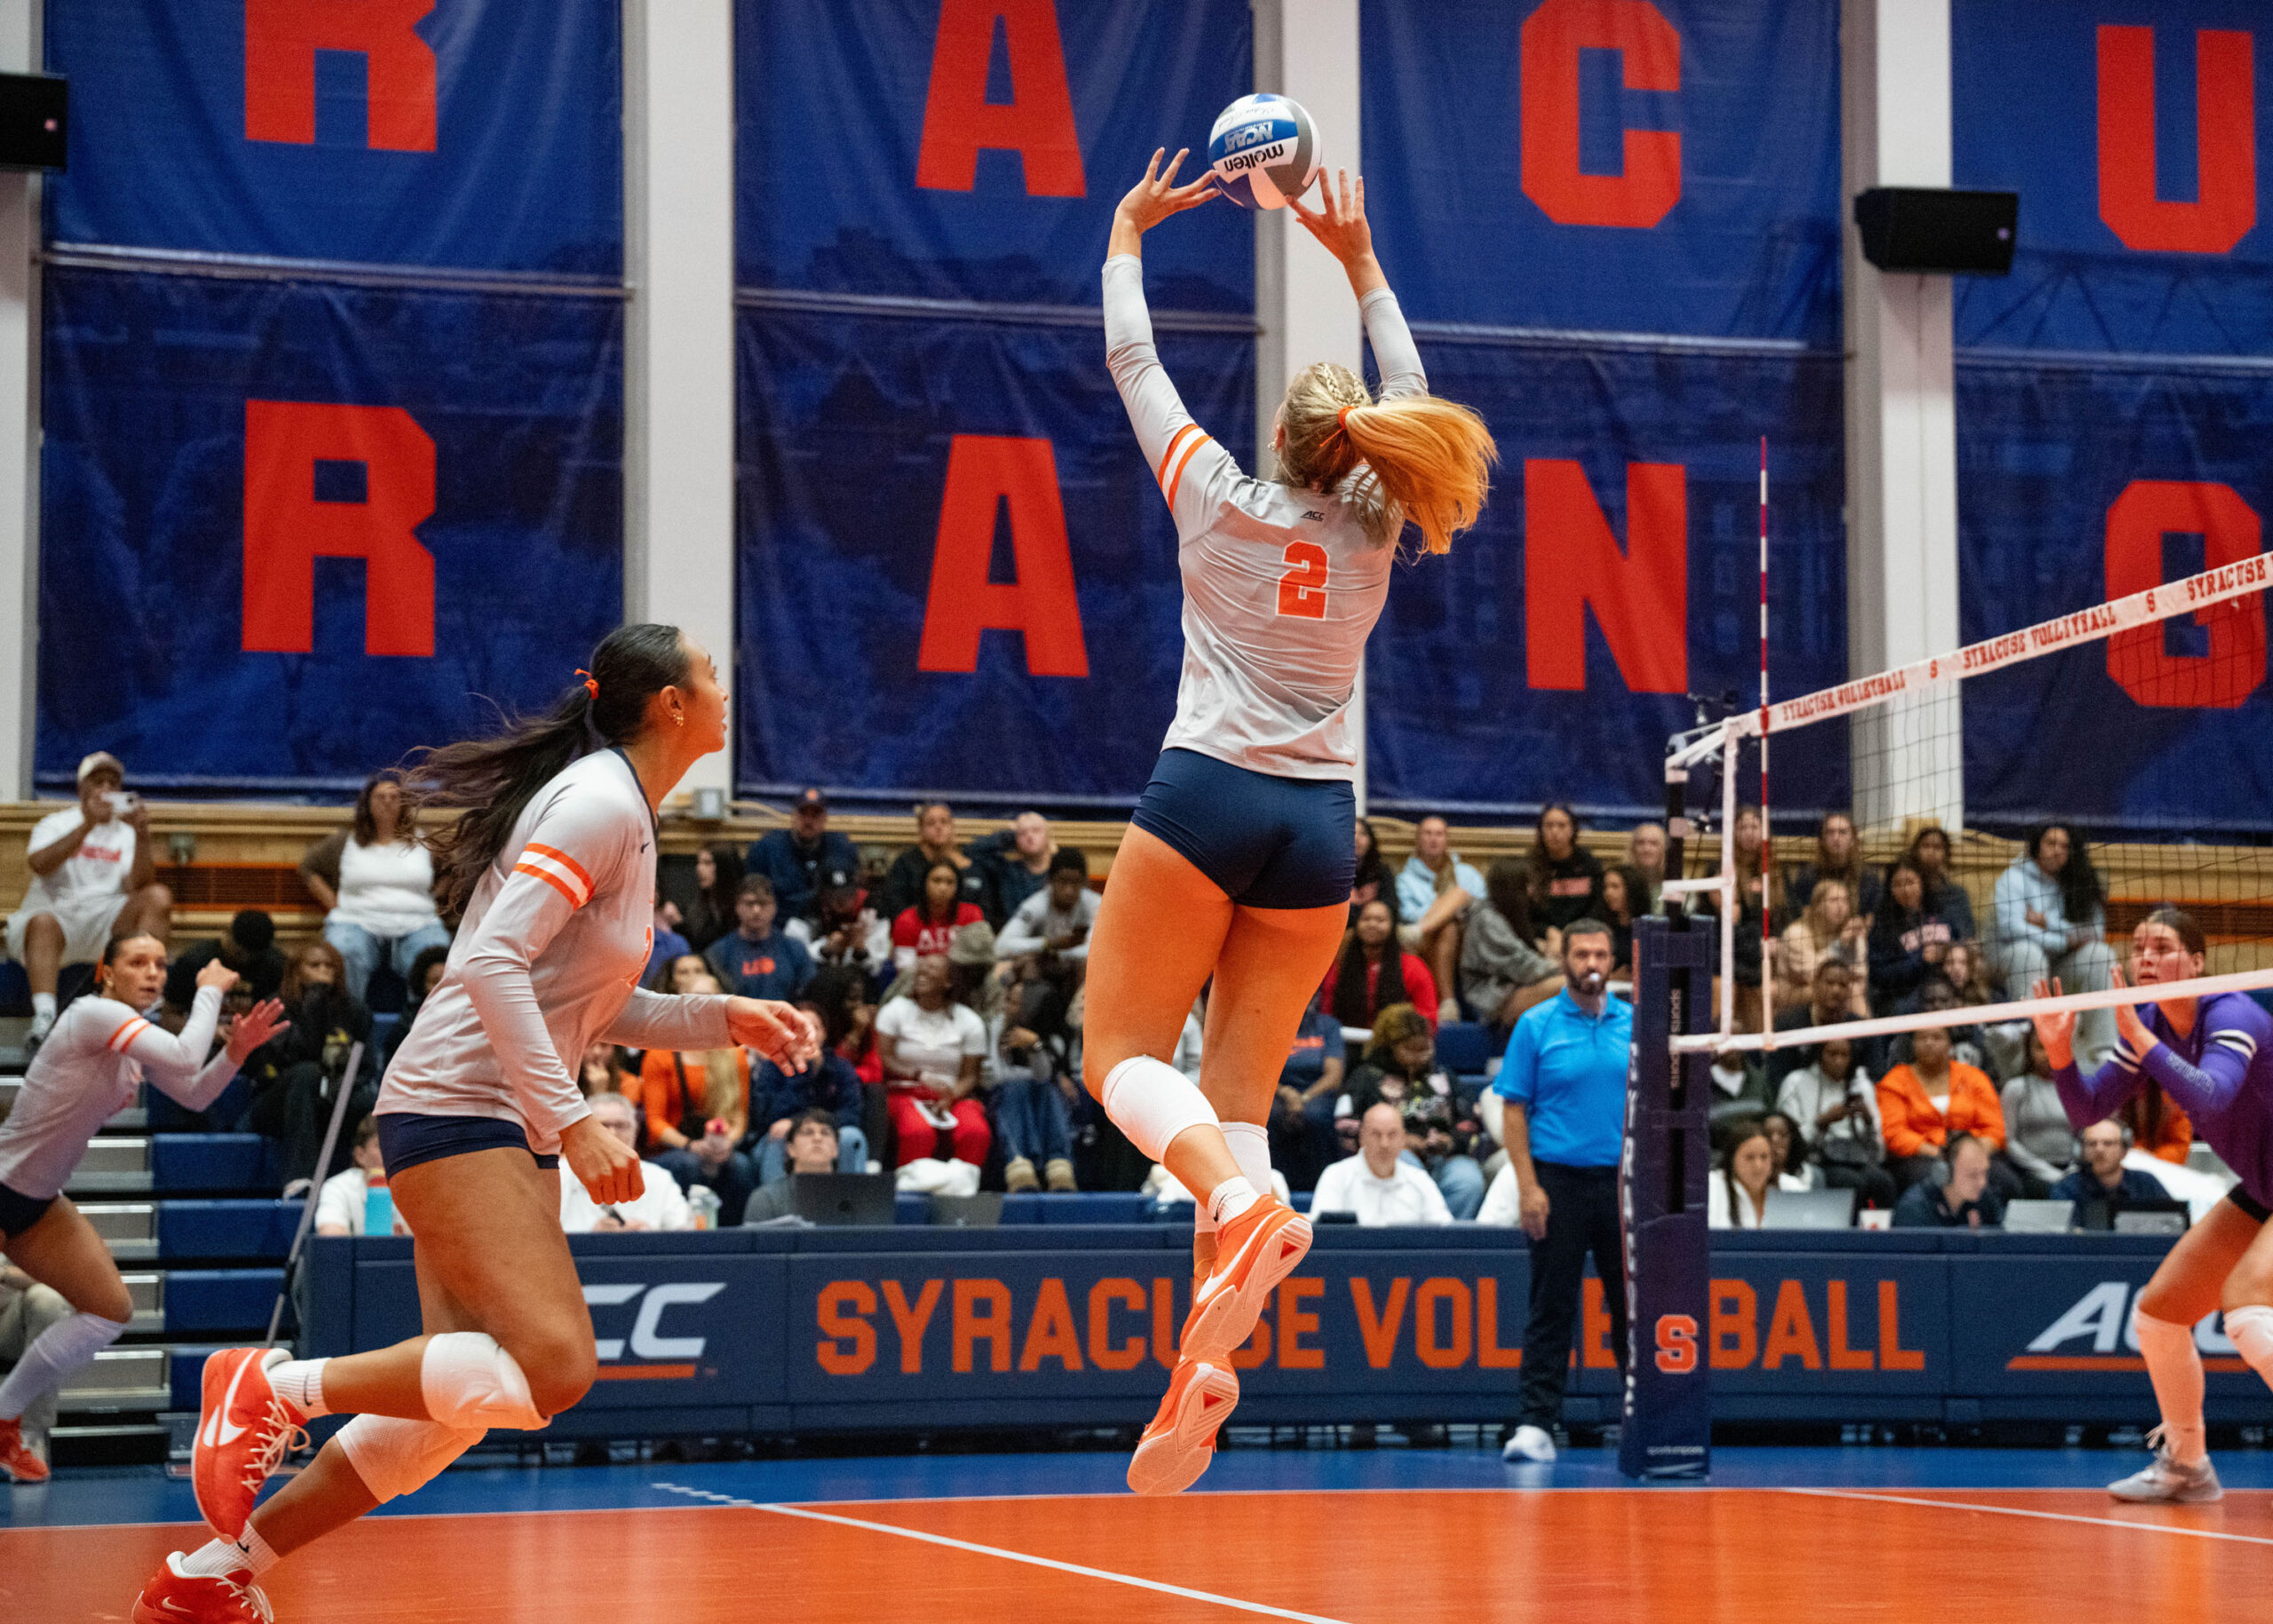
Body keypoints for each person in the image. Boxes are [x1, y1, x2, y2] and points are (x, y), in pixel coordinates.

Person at [141, 625, 818, 1620]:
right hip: (462, 1103)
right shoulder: (597, 803)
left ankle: (213, 1573)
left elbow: (576, 998)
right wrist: (573, 1117)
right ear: (671, 704)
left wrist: (722, 1018)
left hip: (487, 1112)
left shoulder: (625, 808)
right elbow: (492, 963)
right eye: (710, 672)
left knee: (453, 1410)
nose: (727, 682)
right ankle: (273, 1387)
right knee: (555, 1368)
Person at [1091, 155, 1493, 1497]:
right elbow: (1414, 390)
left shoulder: (1216, 495)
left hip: (1208, 790)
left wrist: (1128, 233)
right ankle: (1197, 1378)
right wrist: (1359, 255)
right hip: (1323, 825)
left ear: (1280, 436)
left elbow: (1135, 362)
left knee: (1118, 1055)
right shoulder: (1379, 527)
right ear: (1364, 447)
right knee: (1238, 1102)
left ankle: (1237, 1198)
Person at [0, 936, 281, 1484]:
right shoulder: (94, 1014)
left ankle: (5, 1415)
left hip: (38, 1202)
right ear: (106, 972)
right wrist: (208, 991)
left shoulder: (131, 1041)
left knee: (108, 1311)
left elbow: (195, 1093)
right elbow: (185, 1053)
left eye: (160, 965)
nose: (153, 973)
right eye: (138, 963)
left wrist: (236, 1053)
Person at [2030, 906, 2273, 1504]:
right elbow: (2089, 1110)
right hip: (2264, 1186)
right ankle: (2187, 1466)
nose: (2145, 958)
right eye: (2138, 947)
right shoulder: (2147, 1020)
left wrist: (2143, 1042)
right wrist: (2060, 1051)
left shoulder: (2231, 1012)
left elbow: (2211, 1097)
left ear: (2197, 962)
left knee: (2246, 1309)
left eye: (2162, 948)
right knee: (2160, 1314)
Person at [1493, 921, 1630, 1464]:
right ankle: (1535, 1424)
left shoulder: (1634, 1025)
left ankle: (1644, 1417)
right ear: (1565, 961)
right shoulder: (1536, 1024)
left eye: (1600, 953)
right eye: (1581, 954)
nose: (1591, 962)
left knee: (1632, 1308)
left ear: (1613, 961)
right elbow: (1513, 1110)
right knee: (1551, 1306)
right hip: (1558, 1182)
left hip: (1621, 1184)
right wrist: (1528, 1187)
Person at [7, 750, 171, 1050]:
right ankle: (44, 1017)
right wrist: (87, 825)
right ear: (82, 788)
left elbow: (140, 885)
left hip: (106, 917)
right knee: (42, 921)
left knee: (158, 896)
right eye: (98, 781)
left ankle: (141, 1010)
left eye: (113, 782)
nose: (106, 788)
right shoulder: (55, 823)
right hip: (57, 914)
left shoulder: (126, 832)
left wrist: (142, 834)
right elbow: (40, 864)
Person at [298, 772, 452, 1008]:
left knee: (435, 955)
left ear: (404, 803)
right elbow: (308, 867)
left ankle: (421, 1022)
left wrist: (438, 901)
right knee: (344, 949)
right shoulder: (345, 842)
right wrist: (333, 904)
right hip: (355, 921)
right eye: (381, 797)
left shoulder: (424, 840)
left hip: (418, 922)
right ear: (367, 803)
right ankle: (349, 1021)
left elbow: (451, 869)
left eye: (394, 797)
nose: (388, 802)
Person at [245, 939, 378, 1194]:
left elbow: (366, 1067)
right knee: (306, 1073)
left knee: (370, 1102)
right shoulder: (276, 1008)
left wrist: (337, 1086)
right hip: (278, 1101)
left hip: (333, 1098)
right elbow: (268, 1065)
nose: (323, 971)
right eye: (314, 965)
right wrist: (314, 1003)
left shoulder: (354, 1010)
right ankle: (299, 1177)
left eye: (330, 966)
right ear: (296, 971)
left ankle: (368, 1180)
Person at [1987, 822, 2115, 1066]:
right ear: (2037, 846)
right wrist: (2065, 940)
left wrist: (2047, 922)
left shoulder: (2080, 880)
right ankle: (2026, 1041)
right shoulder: (2013, 878)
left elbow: (2096, 932)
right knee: (2029, 953)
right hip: (2011, 962)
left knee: (2100, 954)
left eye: (2065, 846)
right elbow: (2011, 928)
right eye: (2051, 843)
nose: (2057, 851)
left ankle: (2103, 1049)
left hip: (2059, 969)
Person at [1339, 1004, 1485, 1218]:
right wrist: (1399, 1142)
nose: (1420, 1057)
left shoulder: (1444, 1077)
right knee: (1408, 1168)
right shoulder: (1366, 1078)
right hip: (1392, 1157)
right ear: (1390, 1047)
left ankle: (1447, 1236)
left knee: (1468, 1180)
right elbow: (1346, 1126)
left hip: (1445, 1158)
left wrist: (1450, 1141)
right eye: (1410, 1050)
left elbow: (1470, 1120)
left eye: (1425, 1049)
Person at [637, 971, 756, 1221]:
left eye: (712, 998)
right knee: (689, 1164)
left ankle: (735, 1235)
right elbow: (655, 1123)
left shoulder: (735, 1054)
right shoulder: (659, 1054)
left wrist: (726, 1143)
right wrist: (691, 1146)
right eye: (697, 997)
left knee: (741, 1166)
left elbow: (738, 1116)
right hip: (673, 1148)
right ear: (681, 1003)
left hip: (718, 1144)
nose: (705, 1005)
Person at [876, 955, 990, 1173]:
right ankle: (910, 1190)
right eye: (921, 967)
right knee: (918, 1131)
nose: (923, 971)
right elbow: (885, 1058)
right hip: (905, 1092)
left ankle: (963, 1189)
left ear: (948, 982)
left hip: (952, 1095)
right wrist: (919, 1075)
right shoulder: (896, 1009)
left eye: (933, 968)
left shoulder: (970, 1021)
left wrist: (951, 1095)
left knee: (975, 1131)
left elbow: (970, 1076)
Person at [1876, 1021, 2007, 1191]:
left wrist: (1971, 1153)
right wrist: (1936, 1152)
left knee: (2004, 1180)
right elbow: (1894, 1133)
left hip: (1973, 1151)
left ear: (1950, 1044)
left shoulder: (1974, 1077)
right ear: (1913, 1044)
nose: (1929, 1043)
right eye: (1922, 1038)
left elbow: (1994, 1128)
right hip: (1919, 1158)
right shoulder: (1895, 1081)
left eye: (1937, 1038)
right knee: (1933, 1176)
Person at [751, 1000, 868, 1184]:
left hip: (830, 1132)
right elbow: (768, 1115)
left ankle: (851, 1198)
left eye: (814, 1027)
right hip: (778, 1138)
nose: (807, 1033)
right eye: (799, 1027)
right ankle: (775, 1199)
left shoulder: (841, 1068)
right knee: (780, 1135)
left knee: (851, 1136)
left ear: (824, 1033)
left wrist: (819, 1128)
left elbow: (852, 1113)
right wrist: (801, 1071)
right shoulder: (772, 1067)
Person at [1778, 1035, 1897, 1210]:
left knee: (1883, 1181)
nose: (1838, 1061)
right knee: (1851, 1182)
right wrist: (1821, 1123)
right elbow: (1792, 1142)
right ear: (1819, 1054)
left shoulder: (1861, 1085)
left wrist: (1868, 1121)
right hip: (1816, 1159)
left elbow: (1879, 1153)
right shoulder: (1796, 1082)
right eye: (1832, 1054)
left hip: (1856, 1156)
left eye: (1844, 1055)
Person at [995, 847, 1098, 1046]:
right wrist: (1046, 944)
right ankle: (1020, 1036)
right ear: (1050, 881)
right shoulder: (1037, 904)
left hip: (1076, 976)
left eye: (1075, 883)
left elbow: (1098, 951)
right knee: (1018, 965)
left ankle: (1080, 1038)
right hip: (1042, 972)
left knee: (1088, 965)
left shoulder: (1094, 904)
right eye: (1063, 881)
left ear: (1085, 883)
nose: (1069, 890)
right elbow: (1001, 946)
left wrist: (1060, 953)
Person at [1395, 814, 1484, 1027]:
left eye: (1439, 834)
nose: (1433, 839)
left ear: (1447, 840)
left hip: (1468, 938)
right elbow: (1407, 914)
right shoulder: (1405, 880)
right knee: (1448, 926)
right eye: (1428, 834)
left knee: (1460, 894)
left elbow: (1484, 908)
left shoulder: (1467, 873)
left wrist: (1447, 908)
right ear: (1418, 840)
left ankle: (1447, 1004)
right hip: (1426, 942)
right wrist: (1444, 911)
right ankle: (1448, 1004)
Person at [558, 1093, 691, 1233]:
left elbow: (685, 1234)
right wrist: (592, 1235)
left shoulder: (660, 1179)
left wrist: (650, 1236)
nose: (613, 1133)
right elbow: (545, 1237)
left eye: (621, 1126)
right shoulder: (558, 1175)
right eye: (603, 1126)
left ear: (636, 1131)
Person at [1310, 1100, 1456, 1226]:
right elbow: (1323, 1236)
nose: (1384, 1143)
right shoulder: (1336, 1176)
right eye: (1376, 1134)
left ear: (1403, 1139)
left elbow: (1444, 1236)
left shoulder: (1420, 1180)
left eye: (1392, 1134)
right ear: (1362, 1137)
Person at [1459, 856, 1560, 1036]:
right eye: (1526, 884)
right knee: (1568, 986)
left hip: (1512, 989)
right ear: (1513, 887)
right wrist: (1567, 966)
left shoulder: (1507, 914)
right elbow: (1524, 967)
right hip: (1488, 1001)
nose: (1531, 891)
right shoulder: (1486, 919)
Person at [1320, 897, 1439, 1036]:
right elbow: (1326, 1013)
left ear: (1393, 926)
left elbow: (1429, 1018)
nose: (1372, 924)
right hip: (1346, 1040)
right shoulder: (1339, 964)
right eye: (1366, 919)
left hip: (1395, 1042)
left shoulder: (1413, 967)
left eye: (1380, 920)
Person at [746, 788, 861, 926]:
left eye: (815, 815)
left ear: (825, 818)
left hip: (830, 927)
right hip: (779, 928)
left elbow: (855, 895)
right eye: (803, 813)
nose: (809, 821)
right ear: (793, 816)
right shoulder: (766, 849)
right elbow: (754, 898)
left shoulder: (842, 848)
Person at [0, 1257, 71, 1480]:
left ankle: (28, 1436)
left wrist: (5, 1274)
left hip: (10, 1316)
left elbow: (61, 1278)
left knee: (47, 1300)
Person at [162, 909, 288, 1026]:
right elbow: (168, 1017)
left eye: (252, 957)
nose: (245, 960)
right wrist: (209, 1032)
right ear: (227, 934)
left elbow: (283, 1018)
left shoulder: (275, 965)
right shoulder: (194, 961)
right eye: (239, 954)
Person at [1269, 1002, 1345, 1191]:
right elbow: (1261, 1071)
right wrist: (1286, 1093)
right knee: (1272, 1116)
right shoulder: (1271, 1023)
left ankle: (1321, 1186)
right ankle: (1271, 1186)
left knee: (1314, 1117)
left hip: (1316, 1090)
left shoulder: (1328, 1026)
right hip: (1276, 1089)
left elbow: (1334, 1075)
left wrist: (1304, 1098)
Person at [703, 875, 815, 1002]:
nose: (756, 910)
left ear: (774, 907)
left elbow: (809, 997)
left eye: (763, 903)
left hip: (784, 1014)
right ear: (737, 906)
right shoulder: (718, 953)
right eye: (749, 903)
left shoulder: (795, 949)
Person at [875, 803, 988, 924]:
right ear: (921, 829)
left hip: (964, 931)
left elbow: (986, 911)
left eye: (944, 822)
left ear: (952, 827)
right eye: (931, 823)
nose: (938, 827)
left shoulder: (971, 866)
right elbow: (895, 906)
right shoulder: (905, 864)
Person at [1866, 859, 1955, 1015]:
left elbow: (1960, 942)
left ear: (1922, 882)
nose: (1906, 890)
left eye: (1910, 882)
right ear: (1890, 889)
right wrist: (1922, 960)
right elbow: (1879, 975)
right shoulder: (1882, 925)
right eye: (1898, 884)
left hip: (1947, 986)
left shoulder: (1942, 913)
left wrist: (1949, 952)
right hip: (1904, 996)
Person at [2000, 1029, 2077, 1198]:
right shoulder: (2016, 1088)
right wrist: (2047, 1172)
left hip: (2071, 1169)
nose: (2048, 1054)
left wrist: (2073, 1170)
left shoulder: (2076, 1087)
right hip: (2028, 1171)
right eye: (2041, 1047)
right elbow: (2009, 1141)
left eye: (2055, 1047)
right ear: (2029, 1051)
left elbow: (2084, 1136)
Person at [1775, 880, 1868, 1016]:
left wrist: (1858, 943)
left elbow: (1861, 973)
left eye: (1844, 901)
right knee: (1850, 991)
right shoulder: (1796, 933)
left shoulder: (1851, 931)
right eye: (1834, 900)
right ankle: (1868, 1028)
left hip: (1835, 988)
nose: (1840, 907)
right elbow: (1811, 974)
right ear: (1818, 906)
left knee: (1852, 990)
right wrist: (1839, 945)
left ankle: (1866, 1028)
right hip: (1795, 993)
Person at [2050, 1119, 2170, 1224]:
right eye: (2091, 1144)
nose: (2099, 1149)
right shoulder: (2067, 1188)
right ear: (2082, 1150)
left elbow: (2172, 1223)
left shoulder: (2146, 1184)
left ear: (2124, 1151)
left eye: (2108, 1143)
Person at [742, 1109, 845, 1224]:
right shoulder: (765, 1199)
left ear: (836, 1149)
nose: (817, 1138)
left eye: (825, 1133)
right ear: (791, 1149)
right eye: (808, 1133)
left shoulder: (853, 1196)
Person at [314, 1118, 409, 1238]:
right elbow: (330, 1236)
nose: (390, 1153)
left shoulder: (413, 1187)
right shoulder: (337, 1187)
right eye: (381, 1146)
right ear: (360, 1155)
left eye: (395, 1146)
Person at [891, 858, 986, 975]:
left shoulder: (972, 914)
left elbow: (977, 960)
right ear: (924, 883)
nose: (943, 888)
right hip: (921, 980)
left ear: (957, 887)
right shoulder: (906, 919)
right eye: (936, 881)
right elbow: (905, 970)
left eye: (950, 882)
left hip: (962, 979)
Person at [1785, 812, 1881, 923]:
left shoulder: (1868, 877)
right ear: (1822, 840)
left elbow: (1869, 918)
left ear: (1853, 839)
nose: (1836, 838)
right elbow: (1802, 914)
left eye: (1842, 832)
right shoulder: (1808, 875)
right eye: (1830, 832)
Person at [1892, 1133, 2003, 1229]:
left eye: (1984, 1172)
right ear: (1946, 1173)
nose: (1982, 1183)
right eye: (1972, 1175)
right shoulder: (1914, 1209)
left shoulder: (1985, 1201)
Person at [1525, 803, 1603, 939]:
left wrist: (1574, 933)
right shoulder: (1528, 866)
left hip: (1582, 935)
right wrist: (1547, 932)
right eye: (1549, 826)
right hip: (1542, 938)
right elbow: (1524, 915)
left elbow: (1597, 909)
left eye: (1561, 825)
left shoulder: (1590, 865)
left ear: (1572, 829)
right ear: (1540, 830)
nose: (1555, 831)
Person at [970, 810, 1057, 928]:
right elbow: (972, 851)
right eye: (1022, 833)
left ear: (1047, 835)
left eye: (1036, 830)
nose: (1030, 836)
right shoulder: (1007, 871)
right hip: (1013, 933)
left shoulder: (1061, 869)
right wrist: (1007, 836)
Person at [1903, 825, 1976, 942]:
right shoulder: (1906, 891)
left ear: (1946, 854)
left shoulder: (1957, 894)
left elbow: (1967, 935)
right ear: (1916, 851)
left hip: (1951, 950)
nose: (1931, 852)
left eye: (1937, 847)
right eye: (1926, 846)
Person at [1706, 1120, 1778, 1229]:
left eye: (1764, 1157)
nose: (1758, 1166)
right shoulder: (1712, 1188)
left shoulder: (1790, 1187)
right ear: (1732, 1159)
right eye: (1749, 1157)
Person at [677, 843, 745, 954]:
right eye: (699, 863)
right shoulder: (697, 904)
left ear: (724, 866)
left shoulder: (742, 905)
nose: (699, 869)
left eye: (707, 863)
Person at [1598, 862, 1649, 972]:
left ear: (1631, 889)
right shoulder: (1603, 926)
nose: (1608, 893)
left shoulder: (1647, 928)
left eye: (1615, 886)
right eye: (1605, 887)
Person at [1350, 816, 1392, 915]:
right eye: (1352, 833)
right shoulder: (1332, 873)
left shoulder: (1382, 871)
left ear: (1371, 840)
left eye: (1363, 833)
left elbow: (1391, 909)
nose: (1356, 839)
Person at [1625, 822, 1667, 896]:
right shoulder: (1620, 882)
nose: (1646, 849)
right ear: (1633, 849)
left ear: (1664, 849)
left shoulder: (1677, 884)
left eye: (1654, 843)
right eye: (1640, 843)